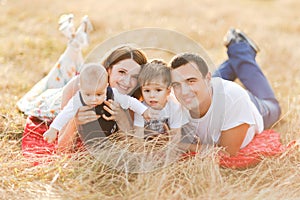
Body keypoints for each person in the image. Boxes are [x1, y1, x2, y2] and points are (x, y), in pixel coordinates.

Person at [170, 28, 281, 156]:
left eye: (190, 81)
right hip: (211, 91)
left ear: (208, 79)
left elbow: (226, 152)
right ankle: (237, 57)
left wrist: (181, 145)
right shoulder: (172, 102)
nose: (183, 92)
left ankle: (240, 48)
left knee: (274, 107)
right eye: (176, 84)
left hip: (254, 106)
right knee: (201, 85)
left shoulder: (233, 99)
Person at [57, 45, 149, 152]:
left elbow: (133, 149)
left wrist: (122, 119)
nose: (127, 81)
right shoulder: (77, 87)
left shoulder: (135, 102)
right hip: (52, 102)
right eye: (122, 72)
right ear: (109, 70)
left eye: (135, 77)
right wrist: (74, 121)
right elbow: (62, 148)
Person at [43, 63, 153, 144]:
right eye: (89, 95)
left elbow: (130, 101)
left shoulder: (113, 93)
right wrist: (53, 129)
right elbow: (64, 114)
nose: (94, 99)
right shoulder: (78, 98)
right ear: (81, 88)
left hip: (108, 136)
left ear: (106, 86)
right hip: (89, 137)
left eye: (99, 94)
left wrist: (144, 111)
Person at [133, 60, 188, 139]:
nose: (152, 95)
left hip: (169, 142)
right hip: (148, 144)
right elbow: (138, 137)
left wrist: (168, 150)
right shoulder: (141, 109)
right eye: (147, 90)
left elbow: (176, 136)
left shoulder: (174, 107)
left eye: (158, 90)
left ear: (168, 91)